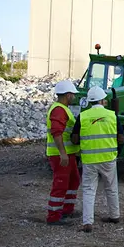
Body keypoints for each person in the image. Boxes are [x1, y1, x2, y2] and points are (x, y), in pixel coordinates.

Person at [71, 86, 124, 233]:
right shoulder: (112, 115)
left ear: (90, 101)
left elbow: (74, 139)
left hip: (89, 160)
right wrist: (116, 152)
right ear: (102, 100)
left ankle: (87, 222)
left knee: (89, 190)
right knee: (111, 188)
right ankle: (115, 215)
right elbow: (121, 138)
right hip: (108, 158)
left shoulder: (83, 116)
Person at [45, 80, 81, 225]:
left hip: (67, 154)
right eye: (73, 94)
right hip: (60, 155)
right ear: (68, 95)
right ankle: (53, 216)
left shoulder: (63, 109)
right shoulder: (59, 110)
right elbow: (57, 132)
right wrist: (63, 153)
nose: (74, 97)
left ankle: (67, 210)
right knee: (61, 184)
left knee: (73, 180)